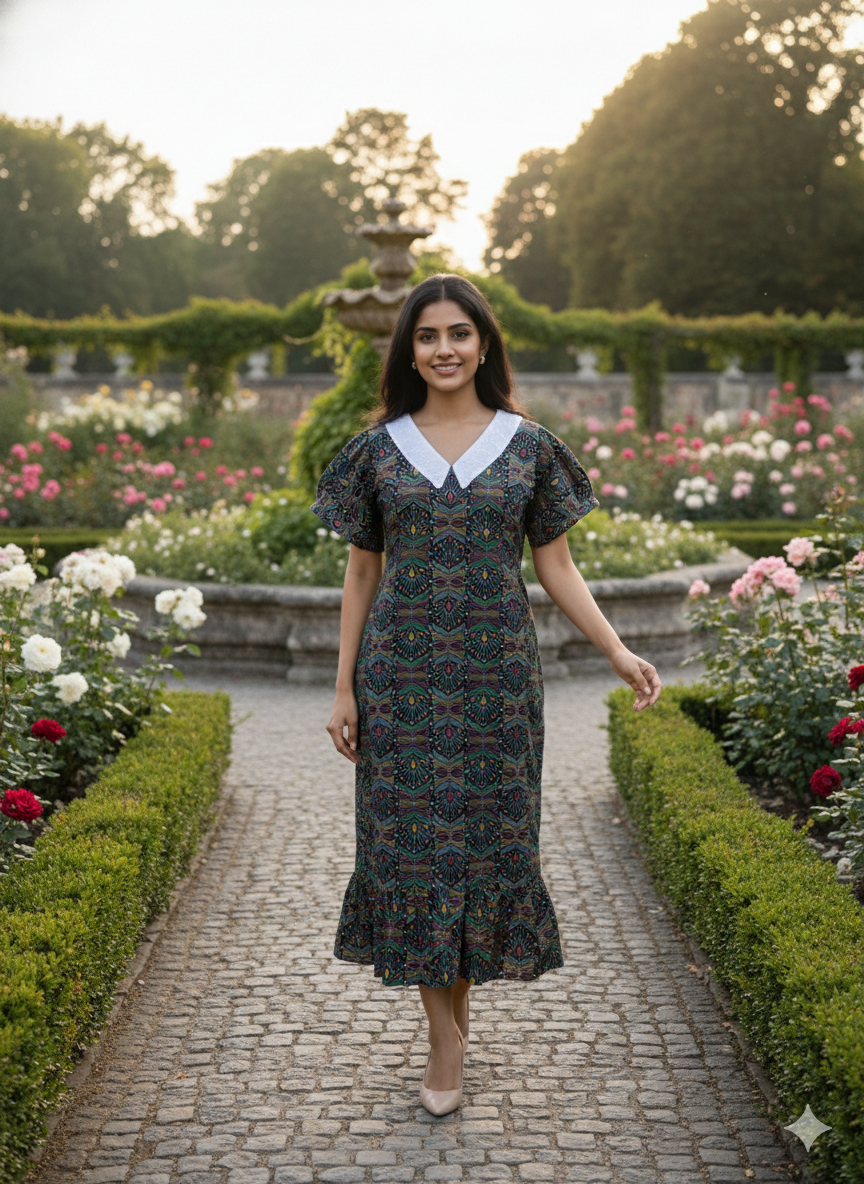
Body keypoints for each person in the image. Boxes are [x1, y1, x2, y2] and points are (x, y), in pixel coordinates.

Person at [312, 274, 662, 1117]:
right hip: (401, 681)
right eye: (426, 336)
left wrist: (615, 649)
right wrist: (344, 687)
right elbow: (363, 572)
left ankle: (451, 1039)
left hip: (499, 682)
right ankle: (447, 1044)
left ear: (484, 344)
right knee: (411, 853)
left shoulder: (529, 444)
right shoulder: (378, 448)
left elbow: (558, 566)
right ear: (408, 350)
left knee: (479, 853)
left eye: (458, 334)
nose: (442, 349)